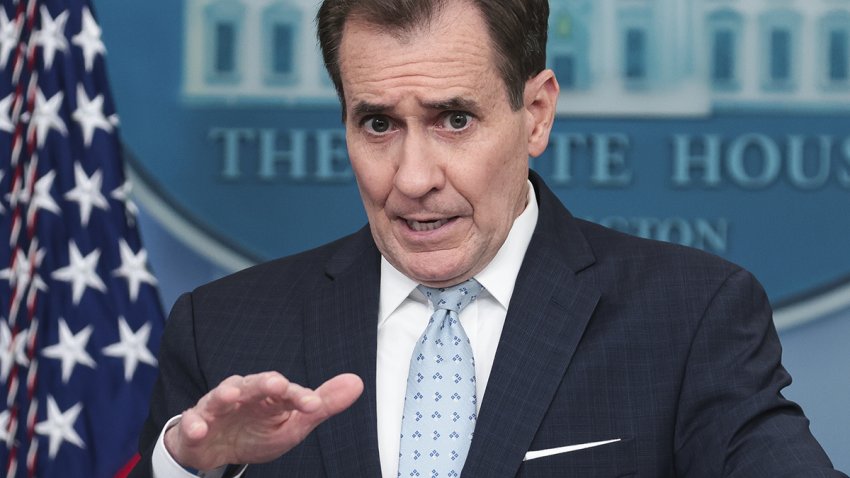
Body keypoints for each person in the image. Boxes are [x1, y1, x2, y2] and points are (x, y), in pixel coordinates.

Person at [131, 0, 846, 477]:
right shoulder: (219, 328)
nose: (412, 177)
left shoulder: (691, 316)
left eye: (454, 120)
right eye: (378, 124)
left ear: (535, 114)